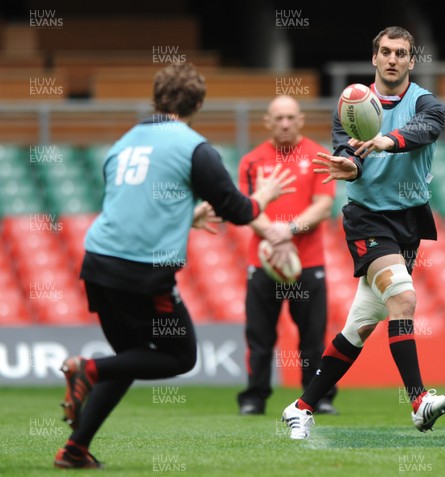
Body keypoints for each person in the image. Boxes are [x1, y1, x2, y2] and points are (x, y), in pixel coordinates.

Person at [53, 63, 295, 469]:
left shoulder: (123, 143)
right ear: (198, 103)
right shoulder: (195, 147)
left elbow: (132, 201)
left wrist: (185, 216)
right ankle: (87, 368)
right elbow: (237, 211)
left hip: (97, 264)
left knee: (130, 356)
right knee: (180, 356)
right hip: (142, 273)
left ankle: (75, 448)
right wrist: (264, 196)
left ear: (156, 98)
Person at [282, 26, 445, 439]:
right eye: (386, 51)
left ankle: (301, 406)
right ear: (375, 58)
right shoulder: (351, 103)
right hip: (368, 218)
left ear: (412, 60)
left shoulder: (427, 104)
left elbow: (426, 131)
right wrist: (351, 164)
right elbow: (347, 149)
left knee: (361, 326)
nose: (393, 58)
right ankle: (419, 403)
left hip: (409, 222)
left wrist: (386, 140)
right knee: (403, 298)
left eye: (401, 52)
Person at [236, 95, 338, 416]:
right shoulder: (251, 161)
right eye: (278, 118)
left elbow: (323, 205)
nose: (284, 123)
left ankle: (317, 397)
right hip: (263, 264)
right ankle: (255, 397)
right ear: (267, 121)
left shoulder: (320, 156)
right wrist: (274, 235)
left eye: (290, 117)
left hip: (307, 263)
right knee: (259, 336)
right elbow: (246, 209)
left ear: (301, 120)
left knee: (312, 338)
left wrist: (288, 230)